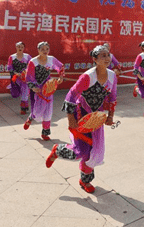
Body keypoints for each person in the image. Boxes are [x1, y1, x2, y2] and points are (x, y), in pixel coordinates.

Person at [45, 45, 117, 194]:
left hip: (96, 117)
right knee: (80, 151)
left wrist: (110, 116)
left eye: (108, 55)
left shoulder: (112, 76)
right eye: (102, 55)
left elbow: (112, 97)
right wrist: (71, 118)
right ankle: (58, 150)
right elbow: (70, 96)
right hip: (80, 115)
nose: (106, 58)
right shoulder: (88, 76)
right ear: (95, 59)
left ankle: (85, 180)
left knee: (93, 151)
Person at [23, 42, 65, 141]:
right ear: (38, 50)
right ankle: (31, 117)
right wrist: (33, 87)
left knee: (48, 111)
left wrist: (61, 77)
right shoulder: (33, 62)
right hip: (38, 89)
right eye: (42, 49)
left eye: (47, 49)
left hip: (49, 87)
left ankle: (45, 132)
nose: (45, 51)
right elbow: (28, 77)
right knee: (38, 111)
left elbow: (61, 67)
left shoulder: (51, 59)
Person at [7, 41, 32, 115]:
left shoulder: (27, 56)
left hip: (25, 79)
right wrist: (16, 73)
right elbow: (9, 67)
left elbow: (32, 66)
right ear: (16, 47)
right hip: (16, 78)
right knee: (15, 94)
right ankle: (12, 87)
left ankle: (23, 108)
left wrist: (26, 72)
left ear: (24, 48)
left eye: (22, 47)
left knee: (25, 93)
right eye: (18, 47)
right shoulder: (12, 57)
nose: (20, 48)